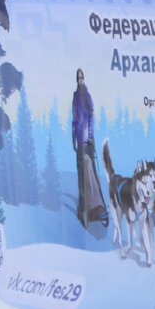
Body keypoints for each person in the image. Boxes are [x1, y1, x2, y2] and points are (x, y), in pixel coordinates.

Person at [72, 68, 108, 229]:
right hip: (79, 141)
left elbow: (92, 116)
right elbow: (74, 119)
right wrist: (73, 137)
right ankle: (82, 208)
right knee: (81, 176)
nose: (81, 80)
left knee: (91, 174)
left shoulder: (87, 96)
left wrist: (91, 136)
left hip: (88, 141)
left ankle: (95, 206)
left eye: (82, 78)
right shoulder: (75, 97)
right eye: (78, 78)